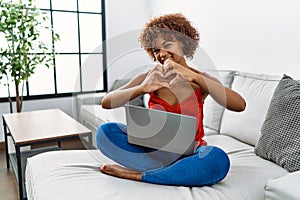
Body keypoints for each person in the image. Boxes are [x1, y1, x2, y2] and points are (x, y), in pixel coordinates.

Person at [96, 13, 246, 186]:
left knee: (217, 160)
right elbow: (106, 102)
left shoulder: (200, 79)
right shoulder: (148, 77)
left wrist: (194, 76)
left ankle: (139, 175)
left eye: (168, 45)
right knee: (105, 132)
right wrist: (142, 88)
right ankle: (171, 172)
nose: (162, 53)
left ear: (184, 43)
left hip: (189, 154)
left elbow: (239, 105)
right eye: (156, 50)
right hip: (152, 151)